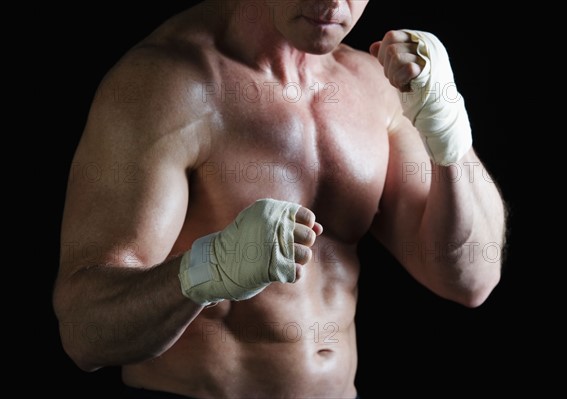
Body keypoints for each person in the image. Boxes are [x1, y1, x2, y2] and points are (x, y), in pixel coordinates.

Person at [53, 1, 507, 398]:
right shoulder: (165, 87)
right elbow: (84, 333)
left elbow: (469, 279)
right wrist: (207, 270)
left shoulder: (372, 87)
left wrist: (449, 133)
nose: (333, 3)